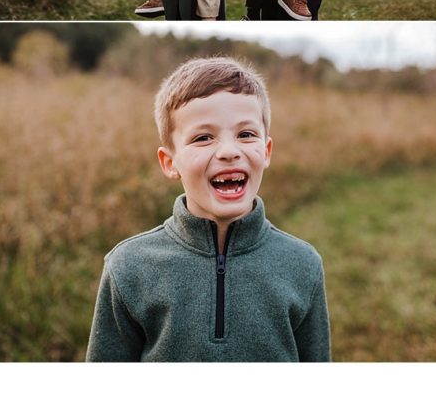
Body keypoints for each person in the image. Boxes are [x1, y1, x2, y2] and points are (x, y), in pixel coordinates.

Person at [86, 57, 330, 361]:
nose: (229, 152)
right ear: (170, 162)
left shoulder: (302, 264)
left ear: (266, 151)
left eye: (246, 134)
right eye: (203, 138)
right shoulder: (128, 267)